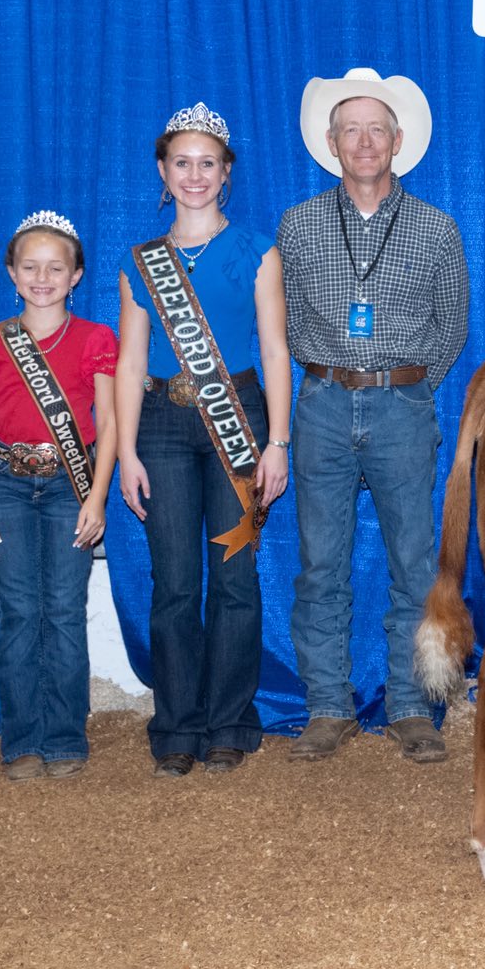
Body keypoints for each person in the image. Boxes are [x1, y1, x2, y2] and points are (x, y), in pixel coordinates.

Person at [280, 67, 470, 764]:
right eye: (350, 129)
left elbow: (452, 326)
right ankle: (328, 707)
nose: (364, 142)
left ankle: (412, 706)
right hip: (322, 404)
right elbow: (290, 321)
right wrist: (332, 378)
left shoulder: (435, 228)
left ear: (397, 143)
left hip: (402, 407)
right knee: (319, 566)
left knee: (414, 564)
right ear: (332, 144)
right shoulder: (298, 226)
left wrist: (407, 385)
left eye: (376, 130)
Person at [116, 102, 291, 777]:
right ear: (164, 172)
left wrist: (278, 442)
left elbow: (276, 351)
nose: (195, 175)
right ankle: (176, 726)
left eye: (207, 164)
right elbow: (132, 364)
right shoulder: (140, 262)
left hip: (237, 417)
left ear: (226, 174)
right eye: (182, 163)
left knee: (235, 576)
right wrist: (126, 451)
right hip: (160, 424)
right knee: (175, 583)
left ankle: (229, 723)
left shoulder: (257, 251)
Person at [0, 210, 119, 780]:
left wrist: (97, 496)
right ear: (12, 273)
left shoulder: (97, 339)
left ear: (76, 276)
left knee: (66, 612)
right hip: (4, 485)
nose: (42, 277)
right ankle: (22, 738)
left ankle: (67, 736)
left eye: (55, 267)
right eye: (30, 267)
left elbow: (111, 422)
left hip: (72, 484)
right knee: (19, 612)